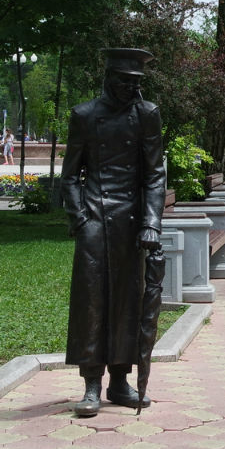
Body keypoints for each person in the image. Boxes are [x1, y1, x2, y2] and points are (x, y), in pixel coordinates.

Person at [62, 48, 167, 417]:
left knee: (129, 300)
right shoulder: (85, 115)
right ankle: (91, 382)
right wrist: (79, 217)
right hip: (94, 216)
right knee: (91, 300)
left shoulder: (146, 115)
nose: (130, 89)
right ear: (109, 79)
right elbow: (71, 175)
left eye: (136, 83)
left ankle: (120, 380)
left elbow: (154, 174)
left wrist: (152, 223)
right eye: (124, 81)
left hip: (132, 222)